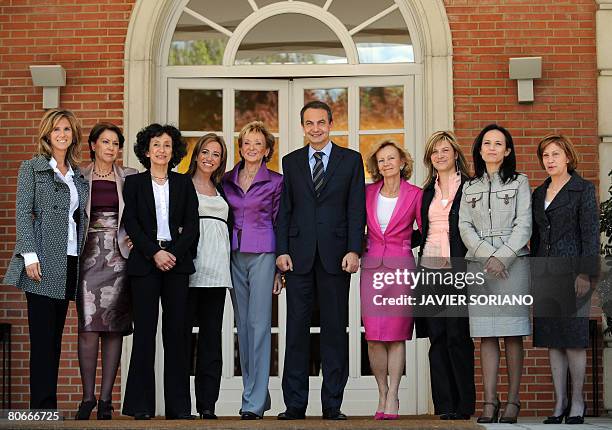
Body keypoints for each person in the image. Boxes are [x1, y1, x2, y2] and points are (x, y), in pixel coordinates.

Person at [275, 100, 366, 420]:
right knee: (295, 332)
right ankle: (294, 405)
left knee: (333, 332)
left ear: (330, 124)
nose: (315, 128)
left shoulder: (351, 160)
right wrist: (281, 250)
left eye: (321, 123)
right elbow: (284, 210)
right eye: (309, 123)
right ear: (303, 127)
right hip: (298, 258)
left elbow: (357, 209)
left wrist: (355, 249)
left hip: (336, 257)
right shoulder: (290, 162)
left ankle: (332, 405)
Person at [3, 109, 88, 410]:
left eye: (67, 129)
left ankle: (47, 406)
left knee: (54, 339)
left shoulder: (78, 174)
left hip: (69, 259)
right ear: (47, 135)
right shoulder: (32, 168)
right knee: (41, 340)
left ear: (73, 135)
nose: (62, 134)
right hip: (40, 260)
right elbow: (23, 213)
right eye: (56, 130)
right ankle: (41, 409)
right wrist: (29, 255)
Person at [121, 123, 199, 420]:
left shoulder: (183, 184)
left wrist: (172, 254)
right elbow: (132, 224)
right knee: (144, 335)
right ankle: (141, 407)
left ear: (173, 151)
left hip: (176, 264)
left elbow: (192, 226)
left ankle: (179, 409)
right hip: (145, 263)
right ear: (146, 150)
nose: (162, 150)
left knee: (177, 335)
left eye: (167, 145)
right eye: (156, 144)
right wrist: (154, 252)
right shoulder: (134, 184)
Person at [458, 124, 532, 424]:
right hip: (480, 266)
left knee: (512, 333)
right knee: (486, 336)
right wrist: (487, 257)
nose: (491, 148)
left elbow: (524, 224)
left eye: (498, 143)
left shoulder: (520, 182)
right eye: (486, 143)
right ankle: (490, 402)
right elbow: (464, 226)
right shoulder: (469, 187)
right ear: (479, 149)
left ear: (507, 151)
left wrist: (501, 257)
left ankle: (513, 402)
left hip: (513, 265)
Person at [531, 134, 599, 425]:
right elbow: (536, 236)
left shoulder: (582, 189)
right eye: (545, 155)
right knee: (553, 340)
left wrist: (586, 272)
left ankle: (578, 402)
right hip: (545, 272)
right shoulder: (538, 193)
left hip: (573, 272)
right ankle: (559, 403)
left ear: (568, 157)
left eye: (555, 154)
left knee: (573, 338)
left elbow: (590, 233)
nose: (550, 160)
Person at [75, 123, 138, 420]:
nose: (111, 147)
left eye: (116, 143)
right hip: (87, 256)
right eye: (105, 142)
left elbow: (140, 213)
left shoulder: (130, 176)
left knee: (113, 328)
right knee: (88, 327)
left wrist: (137, 237)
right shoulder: (79, 176)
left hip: (119, 257)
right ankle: (86, 398)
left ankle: (105, 401)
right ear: (93, 145)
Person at [222, 121, 283, 420]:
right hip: (234, 256)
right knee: (243, 328)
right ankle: (256, 392)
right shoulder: (227, 179)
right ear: (241, 146)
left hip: (263, 254)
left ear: (267, 149)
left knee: (259, 327)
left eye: (259, 143)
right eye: (247, 142)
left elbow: (280, 222)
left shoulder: (276, 181)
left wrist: (278, 269)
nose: (252, 148)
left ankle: (253, 403)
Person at [415, 131, 475, 420]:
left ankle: (464, 406)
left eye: (445, 150)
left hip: (458, 269)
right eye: (434, 152)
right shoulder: (427, 191)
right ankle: (445, 406)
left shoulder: (471, 187)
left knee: (457, 336)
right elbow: (421, 231)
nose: (439, 155)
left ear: (455, 154)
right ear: (430, 159)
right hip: (429, 269)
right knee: (436, 337)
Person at [360, 140, 422, 420]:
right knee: (373, 337)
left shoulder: (415, 195)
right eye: (381, 160)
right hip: (372, 267)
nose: (386, 164)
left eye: (391, 158)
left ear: (402, 162)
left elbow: (427, 230)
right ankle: (382, 391)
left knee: (397, 336)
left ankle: (394, 394)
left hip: (401, 269)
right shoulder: (367, 193)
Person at [186, 133, 233, 420]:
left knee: (211, 341)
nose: (209, 158)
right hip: (189, 270)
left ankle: (207, 405)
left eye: (216, 154)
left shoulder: (222, 189)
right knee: (182, 340)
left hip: (217, 273)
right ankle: (180, 404)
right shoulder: (181, 185)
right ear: (196, 154)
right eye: (205, 151)